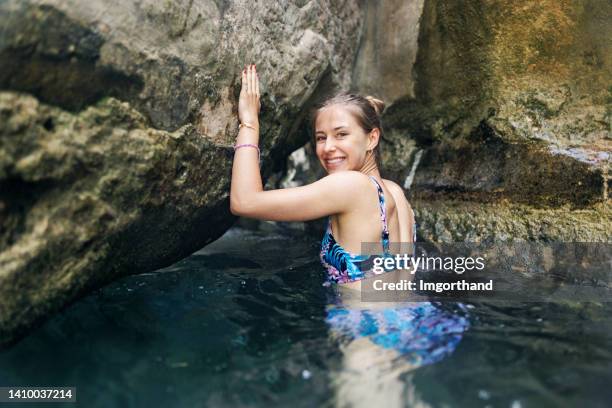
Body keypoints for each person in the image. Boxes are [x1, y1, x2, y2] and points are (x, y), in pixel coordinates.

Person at [231, 64, 468, 407]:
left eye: (341, 134)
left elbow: (244, 201)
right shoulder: (395, 193)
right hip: (417, 321)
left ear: (372, 138)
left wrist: (249, 123)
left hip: (369, 330)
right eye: (321, 137)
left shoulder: (349, 186)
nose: (328, 148)